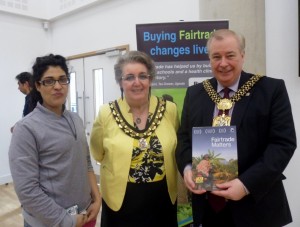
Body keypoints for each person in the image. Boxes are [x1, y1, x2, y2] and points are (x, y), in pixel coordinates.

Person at [176, 29, 296, 227]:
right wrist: (188, 169)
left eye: (230, 55)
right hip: (207, 208)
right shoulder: (195, 93)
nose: (223, 63)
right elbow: (184, 140)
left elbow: (282, 144)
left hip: (256, 207)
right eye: (216, 57)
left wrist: (246, 184)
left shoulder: (270, 90)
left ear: (242, 55)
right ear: (209, 59)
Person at [8, 54, 101, 227]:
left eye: (62, 79)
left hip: (85, 215)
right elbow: (27, 191)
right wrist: (66, 221)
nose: (57, 86)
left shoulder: (75, 119)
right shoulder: (26, 129)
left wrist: (97, 198)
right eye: (49, 81)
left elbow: (86, 162)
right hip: (51, 222)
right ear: (38, 85)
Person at [90, 50, 179, 227]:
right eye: (129, 77)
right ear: (120, 82)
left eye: (142, 76)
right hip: (121, 199)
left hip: (162, 196)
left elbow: (174, 147)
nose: (136, 83)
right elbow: (97, 152)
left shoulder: (169, 109)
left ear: (150, 79)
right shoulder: (106, 113)